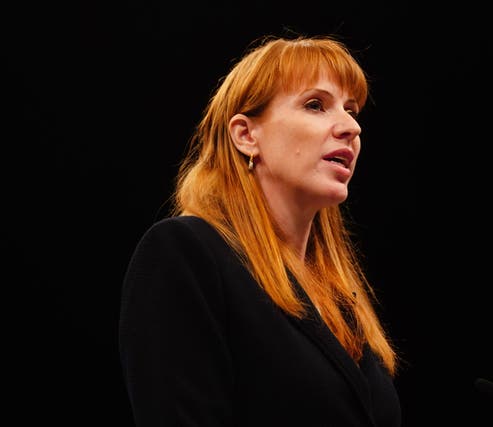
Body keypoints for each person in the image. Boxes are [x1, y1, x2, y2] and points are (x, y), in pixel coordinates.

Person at [118, 34, 402, 427]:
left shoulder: (339, 297)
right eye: (315, 105)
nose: (350, 126)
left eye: (351, 110)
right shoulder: (186, 253)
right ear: (246, 135)